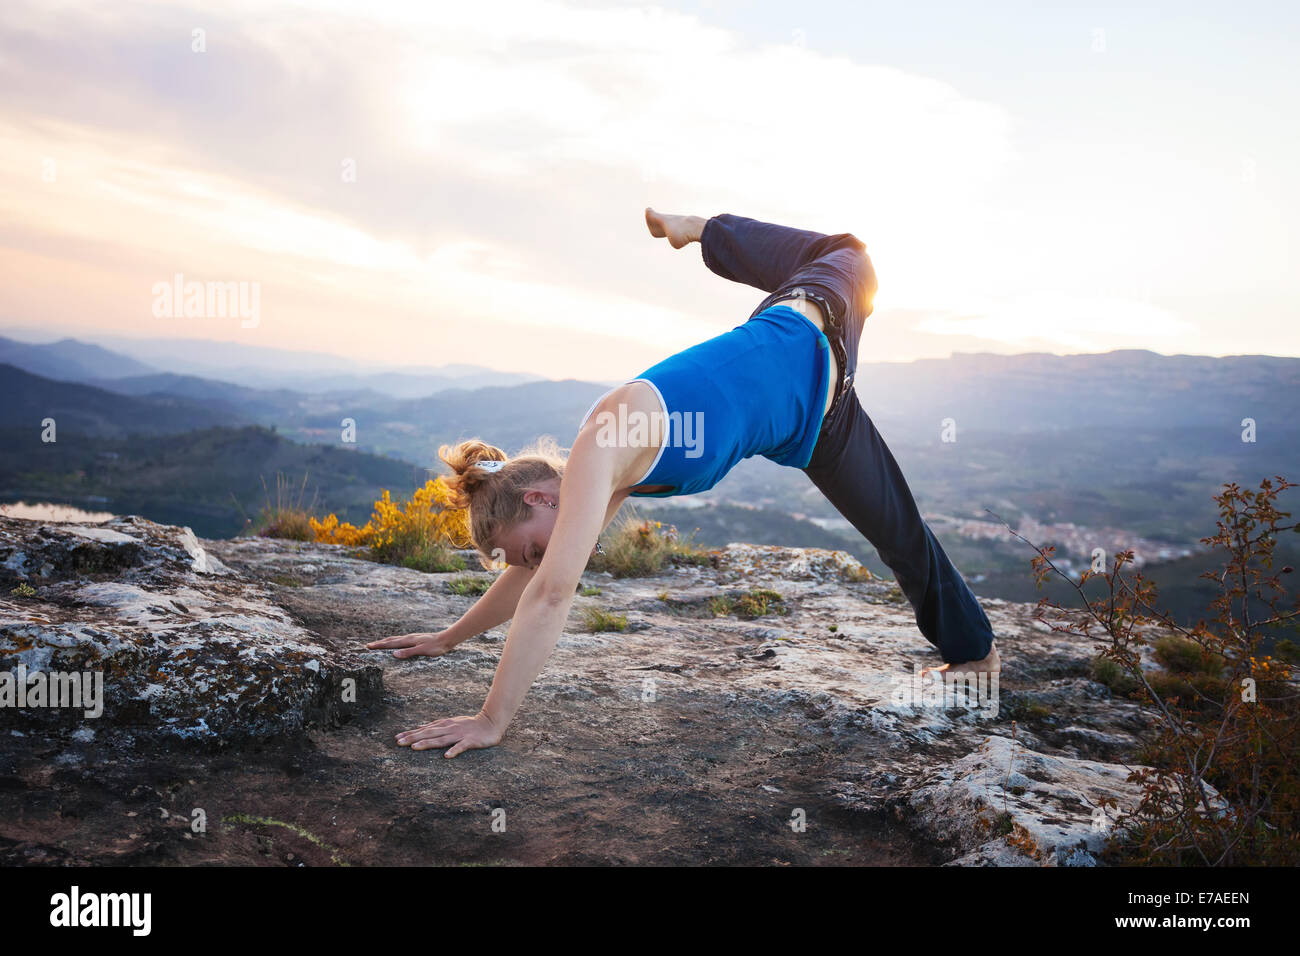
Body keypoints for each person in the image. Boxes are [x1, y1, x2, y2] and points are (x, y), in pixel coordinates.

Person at [367, 208, 999, 758]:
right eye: (529, 556)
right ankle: (976, 655)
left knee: (845, 252)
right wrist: (449, 638)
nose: (539, 560)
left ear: (538, 497)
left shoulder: (605, 439)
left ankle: (703, 230)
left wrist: (490, 719)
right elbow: (534, 578)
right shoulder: (601, 485)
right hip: (819, 425)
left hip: (815, 318)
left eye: (530, 545)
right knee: (899, 534)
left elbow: (550, 594)